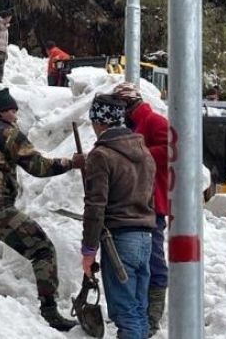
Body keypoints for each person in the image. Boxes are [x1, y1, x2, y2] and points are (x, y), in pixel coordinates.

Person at [0, 88, 83, 331]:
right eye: (12, 110)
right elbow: (38, 166)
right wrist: (71, 163)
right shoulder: (7, 133)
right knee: (42, 249)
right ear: (1, 112)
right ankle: (50, 312)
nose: (16, 116)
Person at [82, 94, 155, 339]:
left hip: (119, 241)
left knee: (125, 313)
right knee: (139, 310)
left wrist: (89, 250)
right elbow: (150, 199)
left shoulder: (101, 155)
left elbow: (95, 207)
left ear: (99, 122)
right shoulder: (144, 153)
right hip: (145, 237)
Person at [112, 82, 169, 335]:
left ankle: (152, 316)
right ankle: (136, 312)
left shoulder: (155, 122)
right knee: (134, 262)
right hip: (131, 203)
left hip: (152, 202)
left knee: (153, 259)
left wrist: (135, 152)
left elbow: (172, 152)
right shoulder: (126, 126)